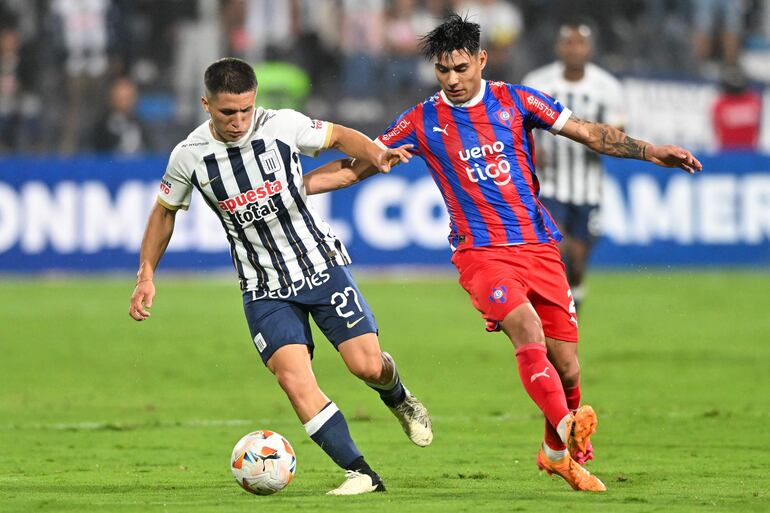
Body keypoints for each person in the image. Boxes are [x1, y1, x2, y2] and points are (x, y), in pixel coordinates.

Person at [303, 14, 701, 492]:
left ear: (482, 60)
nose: (451, 80)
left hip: (539, 245)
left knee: (568, 364)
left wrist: (652, 151)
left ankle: (555, 454)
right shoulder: (420, 119)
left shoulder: (517, 100)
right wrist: (292, 187)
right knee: (526, 331)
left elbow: (592, 133)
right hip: (481, 254)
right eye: (442, 70)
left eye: (461, 68)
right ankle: (567, 427)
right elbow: (355, 166)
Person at [128, 57, 431, 496]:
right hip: (262, 286)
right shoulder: (189, 156)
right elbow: (164, 212)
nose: (238, 121)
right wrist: (146, 274)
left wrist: (375, 153)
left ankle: (398, 396)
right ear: (206, 104)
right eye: (227, 112)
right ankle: (361, 472)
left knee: (366, 365)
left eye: (245, 110)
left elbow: (339, 137)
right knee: (293, 377)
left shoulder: (283, 125)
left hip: (319, 265)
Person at [522, 21, 625, 311]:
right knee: (559, 251)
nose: (574, 48)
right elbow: (517, 123)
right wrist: (532, 151)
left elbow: (617, 131)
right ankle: (554, 315)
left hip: (587, 188)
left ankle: (573, 307)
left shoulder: (607, 86)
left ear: (589, 48)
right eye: (568, 42)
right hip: (549, 183)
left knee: (577, 262)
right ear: (559, 46)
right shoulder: (539, 81)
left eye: (580, 43)